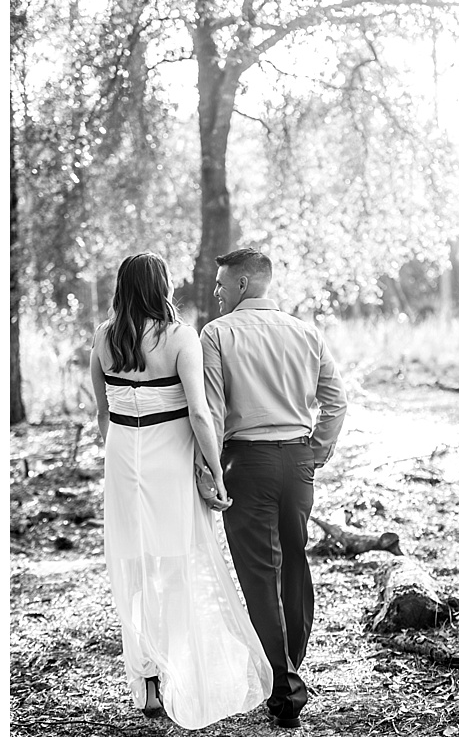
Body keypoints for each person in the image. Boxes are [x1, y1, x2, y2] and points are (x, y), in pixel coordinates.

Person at [90, 252, 271, 729]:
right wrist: (216, 469)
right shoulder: (178, 338)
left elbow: (103, 414)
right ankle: (174, 676)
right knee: (173, 566)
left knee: (134, 569)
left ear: (123, 288)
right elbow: (199, 414)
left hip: (124, 462)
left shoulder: (104, 340)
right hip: (168, 463)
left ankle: (145, 679)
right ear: (162, 287)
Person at [200, 248, 347, 729]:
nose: (216, 292)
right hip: (298, 459)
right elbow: (336, 401)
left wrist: (212, 470)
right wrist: (318, 450)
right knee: (294, 561)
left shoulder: (217, 334)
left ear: (243, 284)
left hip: (247, 462)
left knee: (260, 574)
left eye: (222, 283)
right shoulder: (306, 332)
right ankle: (288, 664)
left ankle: (283, 686)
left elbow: (214, 411)